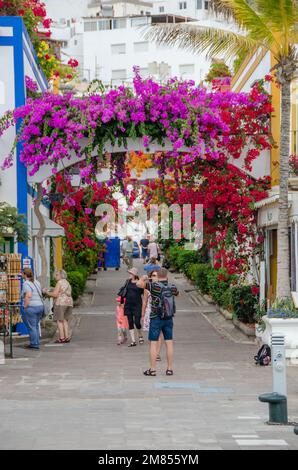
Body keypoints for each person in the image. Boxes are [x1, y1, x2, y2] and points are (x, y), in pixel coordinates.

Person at [143, 268, 179, 377]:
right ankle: (169, 369)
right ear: (167, 276)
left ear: (157, 276)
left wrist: (144, 278)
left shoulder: (154, 286)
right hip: (168, 318)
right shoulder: (172, 286)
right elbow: (178, 294)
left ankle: (153, 369)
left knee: (153, 343)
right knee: (169, 343)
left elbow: (139, 284)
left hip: (156, 318)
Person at [44, 269, 73, 344]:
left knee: (59, 320)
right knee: (65, 320)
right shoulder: (67, 283)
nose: (55, 276)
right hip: (69, 303)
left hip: (60, 303)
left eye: (57, 275)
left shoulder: (59, 282)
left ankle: (62, 338)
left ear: (61, 275)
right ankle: (67, 337)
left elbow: (55, 294)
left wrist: (46, 292)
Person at [138, 272, 162, 361]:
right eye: (153, 275)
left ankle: (157, 354)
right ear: (150, 277)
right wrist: (142, 314)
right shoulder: (147, 288)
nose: (155, 277)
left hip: (160, 312)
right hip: (149, 312)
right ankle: (153, 351)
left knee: (159, 334)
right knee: (152, 335)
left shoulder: (163, 286)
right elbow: (144, 301)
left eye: (156, 275)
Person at [120, 267, 144, 347]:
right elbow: (124, 291)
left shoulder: (140, 283)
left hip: (137, 305)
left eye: (130, 273)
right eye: (129, 273)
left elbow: (144, 293)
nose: (129, 274)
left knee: (137, 322)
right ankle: (133, 341)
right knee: (130, 322)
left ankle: (140, 335)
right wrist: (122, 302)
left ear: (134, 274)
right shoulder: (127, 282)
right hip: (128, 305)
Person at [22, 268, 45, 350]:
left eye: (22, 273)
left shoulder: (26, 283)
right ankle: (36, 342)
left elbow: (28, 295)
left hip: (32, 307)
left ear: (25, 274)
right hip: (40, 306)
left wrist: (25, 305)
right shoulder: (37, 282)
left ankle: (34, 344)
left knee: (32, 326)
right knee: (35, 326)